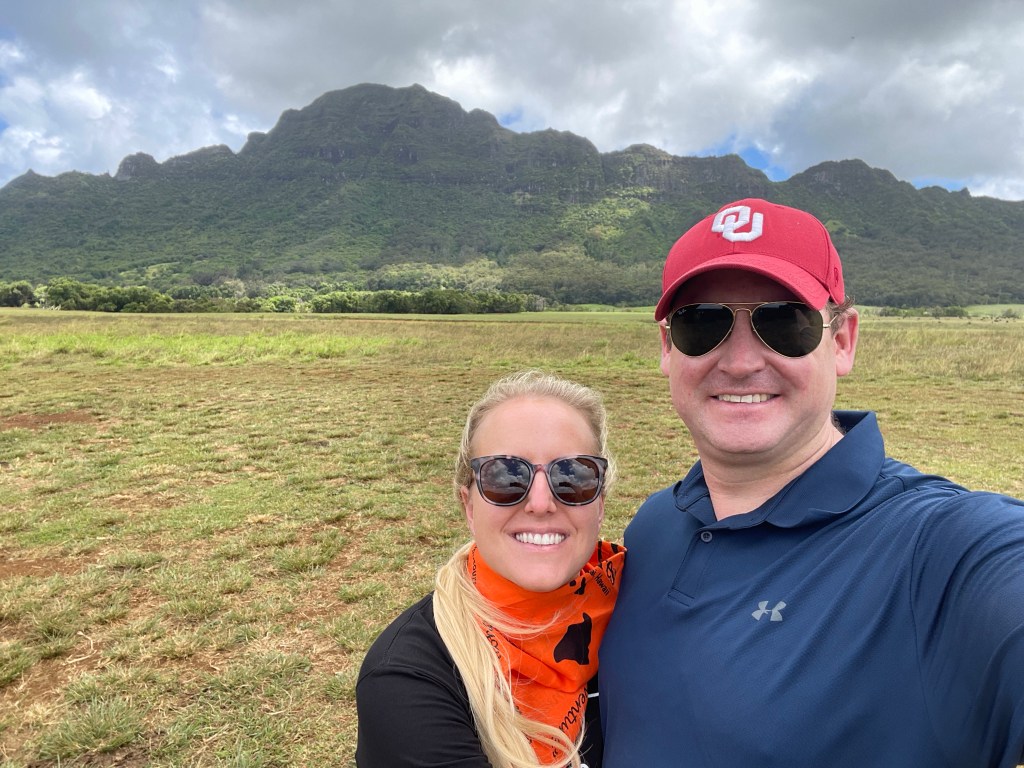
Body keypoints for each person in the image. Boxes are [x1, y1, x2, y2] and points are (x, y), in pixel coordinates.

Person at [599, 198, 1024, 767]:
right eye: (701, 323)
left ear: (842, 341)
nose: (741, 362)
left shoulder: (939, 550)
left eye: (784, 322)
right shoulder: (654, 524)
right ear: (667, 348)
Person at [356, 370, 625, 768]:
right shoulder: (407, 680)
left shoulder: (642, 609)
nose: (540, 503)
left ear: (599, 505)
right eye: (505, 477)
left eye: (573, 476)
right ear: (468, 506)